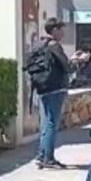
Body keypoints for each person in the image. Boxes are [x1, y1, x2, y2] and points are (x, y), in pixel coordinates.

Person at [24, 18, 78, 169]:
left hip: (43, 87)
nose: (63, 33)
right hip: (56, 88)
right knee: (51, 123)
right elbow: (67, 67)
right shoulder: (54, 45)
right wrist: (77, 60)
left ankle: (42, 156)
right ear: (54, 30)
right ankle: (48, 158)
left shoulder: (40, 44)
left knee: (45, 123)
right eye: (61, 29)